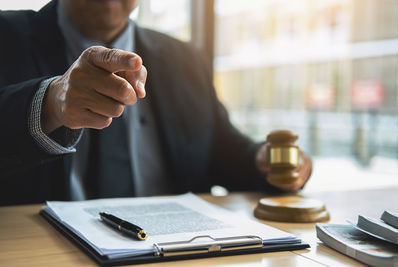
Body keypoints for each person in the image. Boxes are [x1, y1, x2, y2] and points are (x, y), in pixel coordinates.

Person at [0, 0, 312, 205]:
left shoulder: (185, 58)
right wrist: (50, 102)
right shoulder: (7, 36)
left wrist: (262, 161)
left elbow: (221, 149)